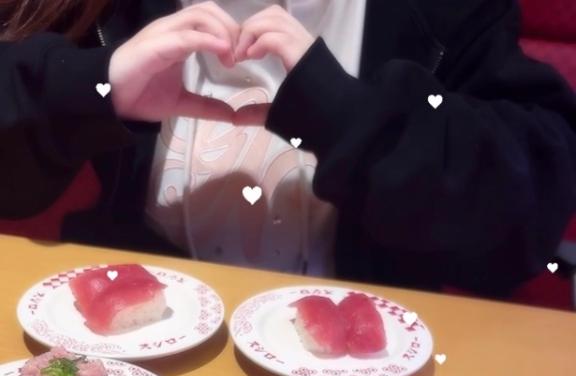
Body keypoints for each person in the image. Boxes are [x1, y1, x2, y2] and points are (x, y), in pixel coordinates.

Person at [1, 0, 575, 297]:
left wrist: (357, 123)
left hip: (371, 366)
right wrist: (95, 84)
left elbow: (526, 216)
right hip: (144, 352)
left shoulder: (446, 13)